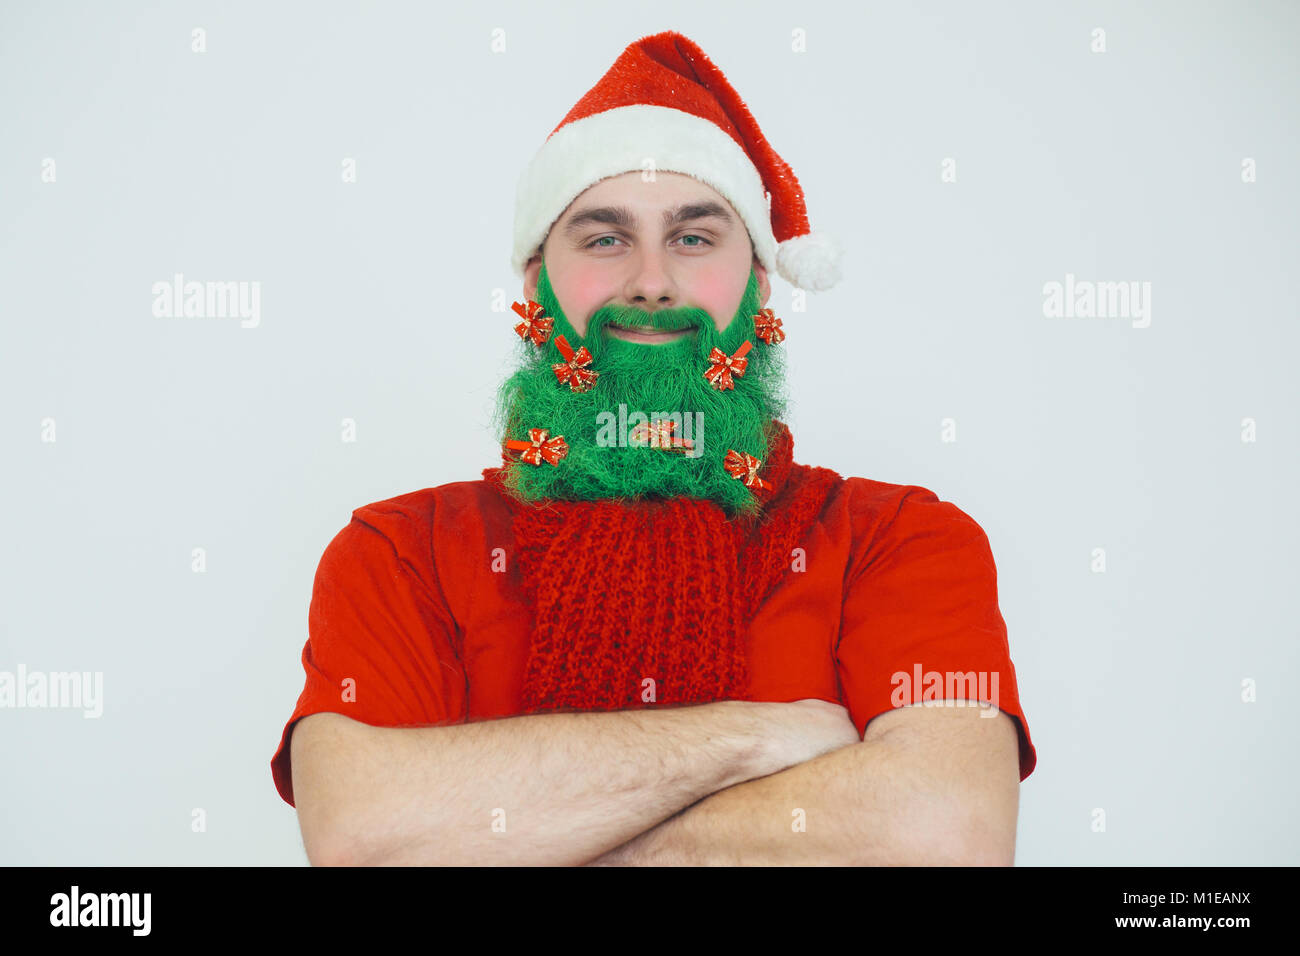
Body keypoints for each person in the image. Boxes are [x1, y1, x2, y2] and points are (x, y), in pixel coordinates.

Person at [270, 30, 1037, 866]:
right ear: (537, 287)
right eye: (604, 238)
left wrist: (550, 830)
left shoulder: (899, 541)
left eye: (695, 238)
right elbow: (362, 839)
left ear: (758, 283)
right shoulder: (401, 554)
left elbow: (945, 837)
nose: (650, 281)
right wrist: (754, 740)